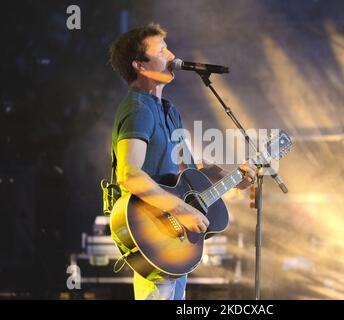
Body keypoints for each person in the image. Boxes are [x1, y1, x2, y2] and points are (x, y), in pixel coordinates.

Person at [109, 23, 256, 300]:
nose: (172, 55)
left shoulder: (167, 110)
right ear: (139, 65)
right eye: (162, 50)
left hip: (174, 238)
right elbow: (129, 175)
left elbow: (189, 169)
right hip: (152, 229)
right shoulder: (138, 109)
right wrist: (183, 210)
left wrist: (233, 177)